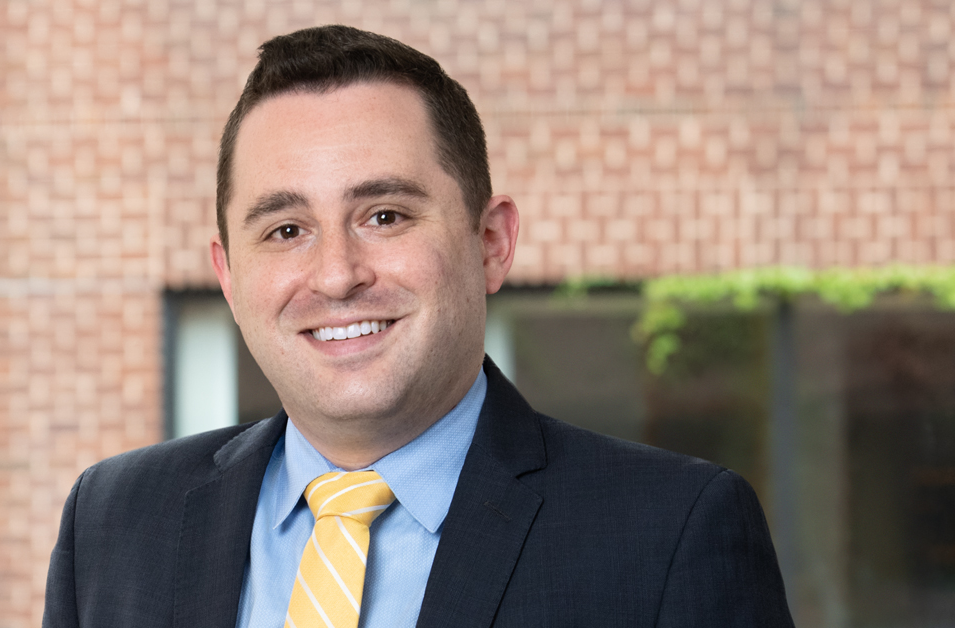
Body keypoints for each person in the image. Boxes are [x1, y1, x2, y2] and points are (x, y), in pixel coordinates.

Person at [43, 25, 795, 628]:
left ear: (491, 242)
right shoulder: (114, 522)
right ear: (229, 276)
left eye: (385, 216)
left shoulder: (668, 535)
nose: (338, 275)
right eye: (285, 230)